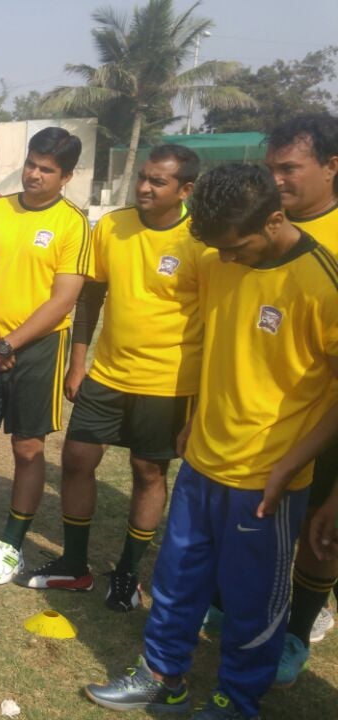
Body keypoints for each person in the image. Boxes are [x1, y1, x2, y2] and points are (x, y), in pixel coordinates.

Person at [84, 163, 338, 720]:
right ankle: (162, 679)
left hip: (267, 480)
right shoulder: (223, 260)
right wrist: (195, 417)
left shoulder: (322, 281)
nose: (225, 260)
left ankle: (235, 702)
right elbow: (222, 346)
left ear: (274, 220)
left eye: (236, 247)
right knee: (176, 583)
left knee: (250, 606)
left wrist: (293, 465)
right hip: (202, 461)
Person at [18, 145, 203, 612]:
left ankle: (127, 574)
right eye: (142, 177)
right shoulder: (113, 226)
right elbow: (90, 299)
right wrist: (78, 363)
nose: (144, 186)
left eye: (157, 182)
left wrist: (200, 403)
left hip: (168, 382)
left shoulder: (202, 239)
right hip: (108, 373)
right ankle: (75, 565)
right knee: (78, 459)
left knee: (147, 472)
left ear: (185, 190)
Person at [0, 127, 90, 584]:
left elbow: (64, 298)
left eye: (47, 169)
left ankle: (11, 543)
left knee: (28, 449)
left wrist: (9, 344)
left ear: (66, 176)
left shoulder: (73, 223)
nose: (34, 174)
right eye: (32, 164)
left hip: (38, 351)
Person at [264, 114, 338, 686]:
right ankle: (240, 603)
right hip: (262, 414)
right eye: (272, 169)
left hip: (326, 420)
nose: (278, 180)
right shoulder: (265, 226)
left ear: (332, 167)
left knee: (320, 531)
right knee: (257, 521)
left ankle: (296, 634)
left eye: (290, 168)